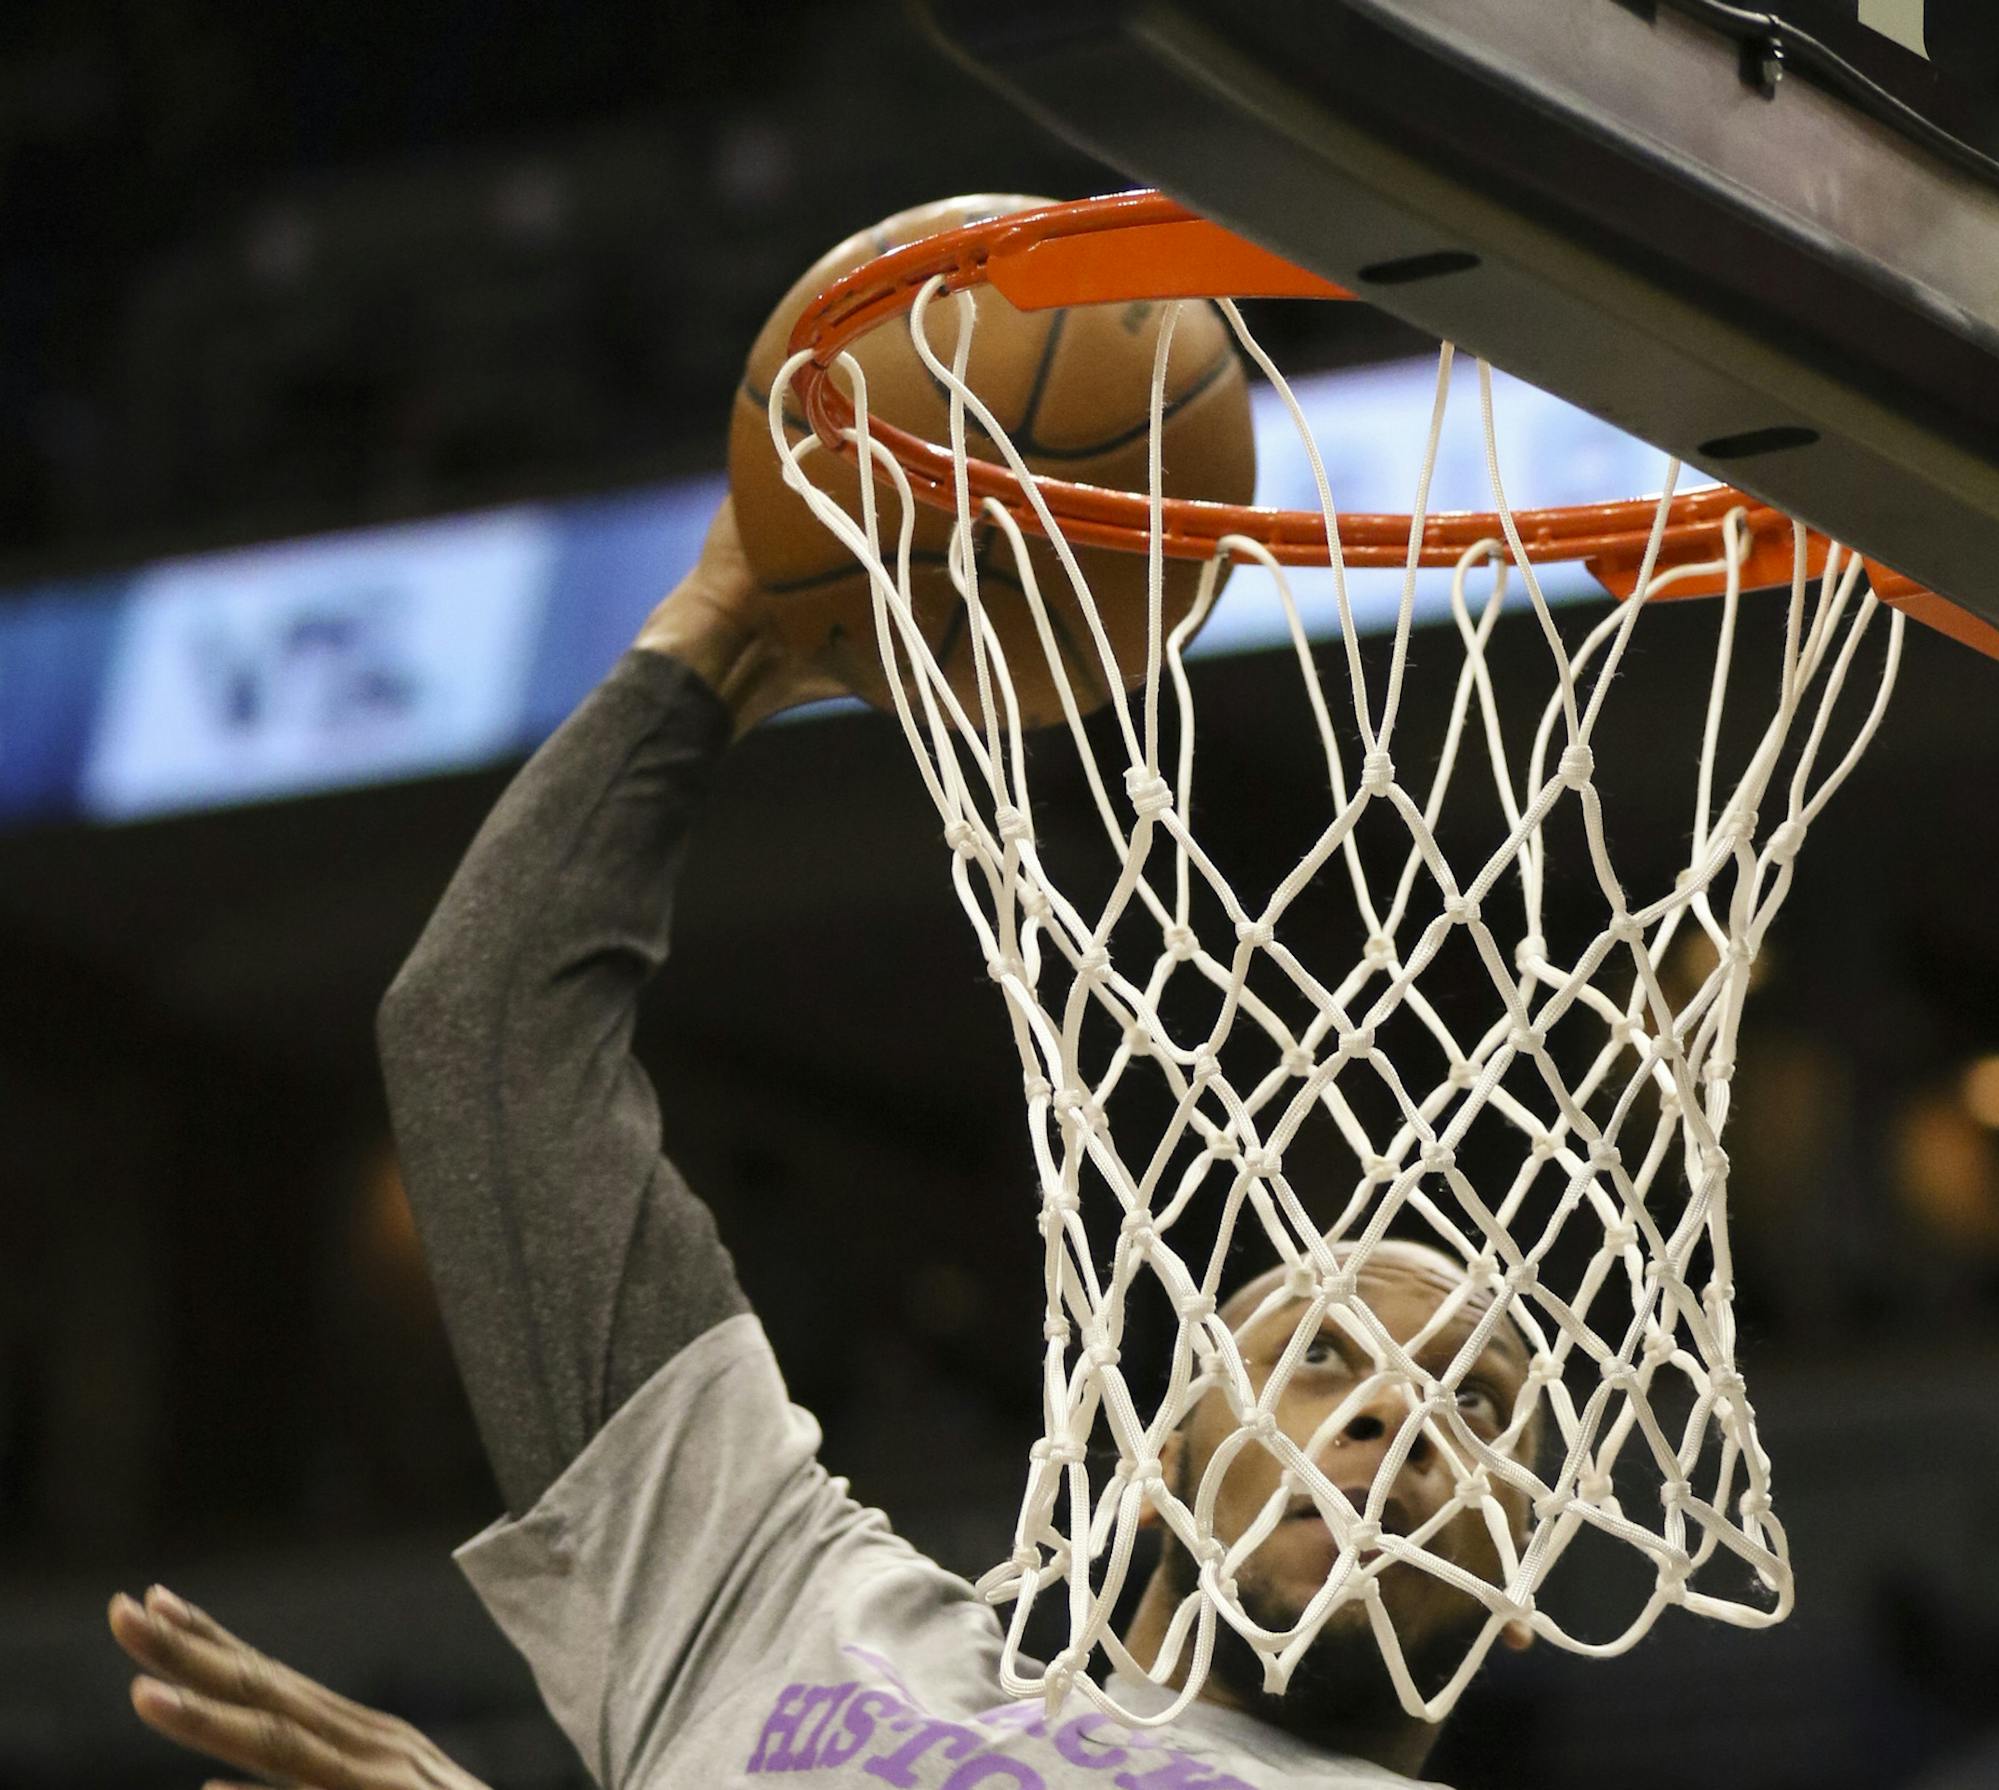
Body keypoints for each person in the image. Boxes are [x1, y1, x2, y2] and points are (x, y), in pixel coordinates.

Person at [108, 496, 1537, 1790]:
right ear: (1159, 1456)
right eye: (1318, 1356)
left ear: (1528, 1578)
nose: (1394, 1416)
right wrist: (727, 625)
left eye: (1474, 1405)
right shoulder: (776, 1602)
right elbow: (483, 1042)